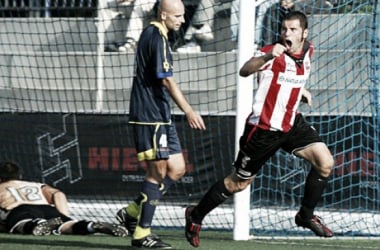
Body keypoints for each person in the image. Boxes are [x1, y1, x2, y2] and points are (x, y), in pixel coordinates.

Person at [184, 11, 334, 248]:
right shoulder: (272, 53)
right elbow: (245, 70)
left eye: (293, 30)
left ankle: (305, 215)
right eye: (284, 29)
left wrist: (300, 92)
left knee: (325, 163)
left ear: (305, 33)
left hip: (291, 122)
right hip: (263, 130)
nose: (287, 34)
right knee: (239, 183)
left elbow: (292, 77)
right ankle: (195, 215)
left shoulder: (309, 50)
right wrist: (266, 58)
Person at [116, 0, 206, 248]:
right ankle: (142, 234)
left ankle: (132, 211)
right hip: (149, 116)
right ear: (163, 14)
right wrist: (189, 110)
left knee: (176, 168)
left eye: (183, 15)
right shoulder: (156, 37)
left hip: (161, 114)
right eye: (177, 15)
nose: (182, 20)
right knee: (156, 173)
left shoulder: (158, 34)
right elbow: (166, 81)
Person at [0, 161, 128, 237]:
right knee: (68, 226)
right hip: (46, 208)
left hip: (20, 209)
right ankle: (93, 226)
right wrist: (62, 216)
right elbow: (58, 195)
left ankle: (37, 224)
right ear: (20, 175)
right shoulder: (35, 184)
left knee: (21, 226)